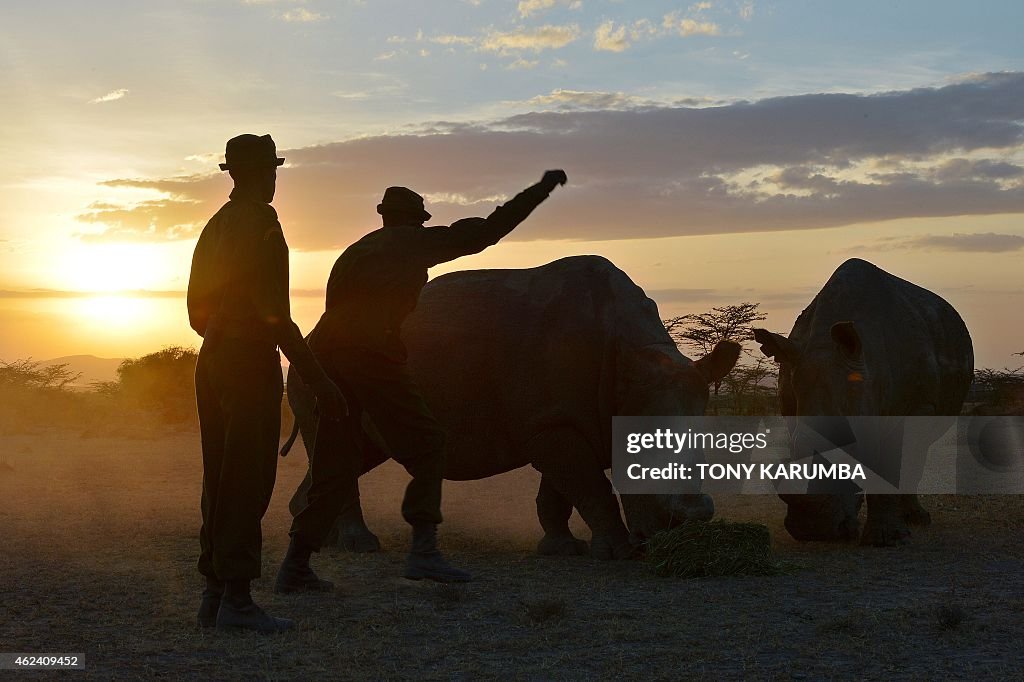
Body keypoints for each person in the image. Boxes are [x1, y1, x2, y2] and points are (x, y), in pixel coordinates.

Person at [276, 169, 568, 591]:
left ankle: (295, 566)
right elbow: (488, 230)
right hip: (370, 358)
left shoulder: (355, 252)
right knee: (430, 446)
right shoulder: (412, 243)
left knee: (335, 468)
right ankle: (423, 552)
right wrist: (539, 190)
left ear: (384, 216)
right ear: (416, 220)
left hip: (325, 362)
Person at [187, 133, 347, 633]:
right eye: (273, 172)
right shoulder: (261, 224)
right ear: (259, 174)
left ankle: (214, 595)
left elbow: (195, 311)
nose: (275, 180)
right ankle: (236, 601)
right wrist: (318, 378)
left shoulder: (214, 226)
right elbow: (277, 315)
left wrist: (223, 334)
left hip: (211, 358)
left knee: (219, 478)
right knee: (247, 479)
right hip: (247, 362)